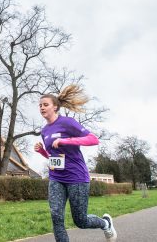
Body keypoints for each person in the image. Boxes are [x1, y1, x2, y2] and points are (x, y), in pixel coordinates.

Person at [34, 85, 117, 242]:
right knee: (56, 216)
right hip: (56, 178)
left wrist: (66, 140)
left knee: (81, 220)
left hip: (76, 177)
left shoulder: (68, 123)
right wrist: (42, 152)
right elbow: (55, 157)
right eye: (40, 105)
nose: (42, 108)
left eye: (45, 104)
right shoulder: (44, 131)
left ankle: (105, 223)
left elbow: (93, 139)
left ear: (55, 107)